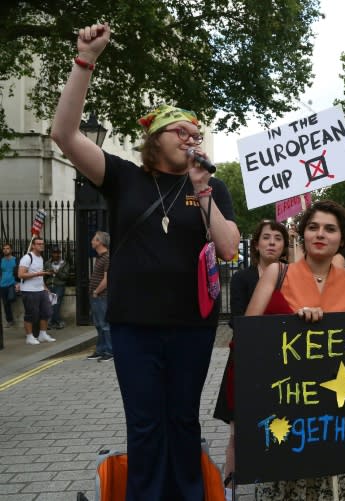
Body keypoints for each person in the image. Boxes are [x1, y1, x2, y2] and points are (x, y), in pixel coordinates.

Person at [50, 23, 240, 500]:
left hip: (193, 326)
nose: (191, 138)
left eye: (197, 133)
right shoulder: (124, 178)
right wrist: (84, 61)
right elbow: (64, 133)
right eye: (181, 131)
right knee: (145, 421)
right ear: (155, 138)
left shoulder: (211, 187)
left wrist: (202, 191)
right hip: (135, 324)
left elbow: (230, 247)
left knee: (182, 419)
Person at [245, 200, 345, 500]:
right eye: (313, 227)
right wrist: (292, 325)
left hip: (337, 412)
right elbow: (249, 333)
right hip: (286, 405)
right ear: (302, 234)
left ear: (342, 239)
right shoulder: (277, 274)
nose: (321, 234)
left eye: (330, 229)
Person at [213, 219, 289, 500]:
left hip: (283, 362)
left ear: (284, 245)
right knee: (240, 430)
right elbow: (237, 320)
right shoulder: (243, 278)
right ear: (256, 244)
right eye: (266, 237)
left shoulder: (292, 275)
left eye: (277, 238)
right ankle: (229, 490)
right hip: (247, 361)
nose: (271, 242)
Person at [17, 237, 55, 345]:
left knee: (46, 312)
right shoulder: (27, 258)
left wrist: (46, 289)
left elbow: (40, 278)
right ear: (33, 245)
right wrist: (39, 274)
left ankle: (42, 334)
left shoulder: (41, 258)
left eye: (42, 244)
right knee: (31, 314)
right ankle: (29, 337)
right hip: (29, 291)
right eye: (38, 244)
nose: (41, 245)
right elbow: (21, 274)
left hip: (40, 289)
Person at [85, 232, 112, 362]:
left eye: (93, 239)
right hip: (96, 296)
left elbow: (107, 279)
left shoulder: (107, 257)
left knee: (105, 324)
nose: (91, 241)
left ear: (99, 242)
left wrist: (96, 291)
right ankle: (100, 350)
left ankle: (109, 350)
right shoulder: (100, 257)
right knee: (98, 324)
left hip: (102, 296)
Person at [45, 245, 70, 329]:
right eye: (54, 253)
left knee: (56, 304)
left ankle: (54, 321)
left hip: (59, 286)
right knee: (50, 304)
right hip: (49, 285)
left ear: (60, 254)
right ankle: (56, 322)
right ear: (51, 254)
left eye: (57, 253)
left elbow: (65, 276)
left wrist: (57, 272)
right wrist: (48, 273)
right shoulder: (47, 263)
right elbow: (43, 275)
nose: (56, 255)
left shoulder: (64, 263)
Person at [1, 243, 20, 328]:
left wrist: (18, 283)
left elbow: (20, 272)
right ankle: (10, 320)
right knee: (5, 303)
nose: (5, 250)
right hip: (2, 284)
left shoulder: (16, 260)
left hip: (13, 283)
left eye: (7, 248)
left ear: (11, 250)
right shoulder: (1, 260)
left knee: (12, 299)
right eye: (4, 248)